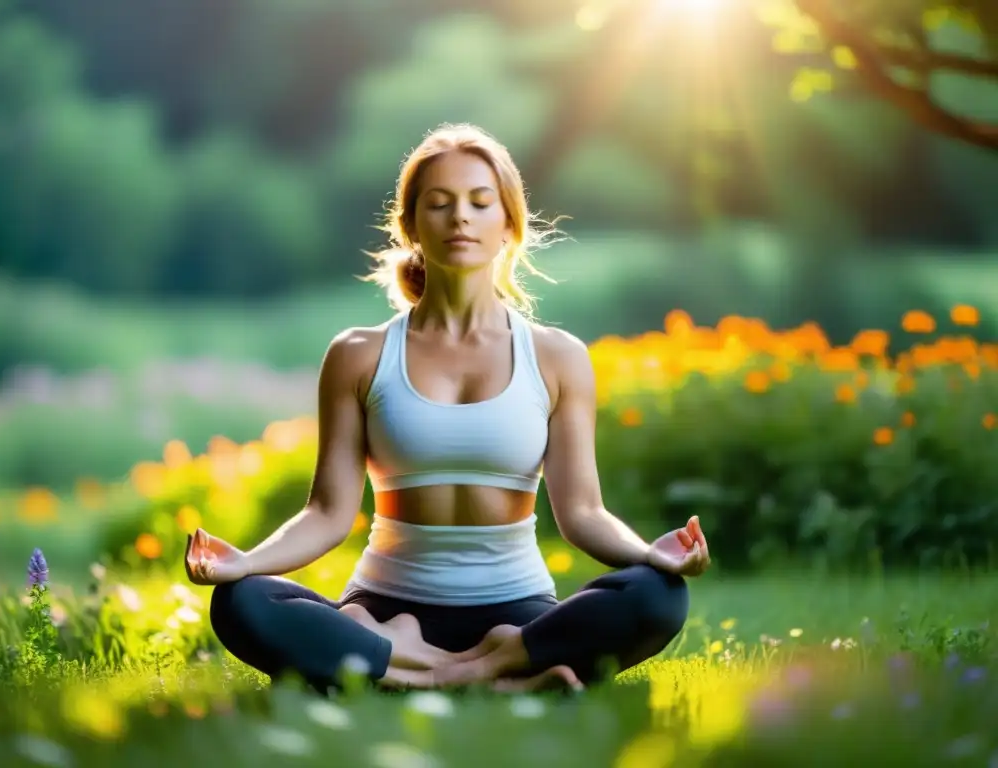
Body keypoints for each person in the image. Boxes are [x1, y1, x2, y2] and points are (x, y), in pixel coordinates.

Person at [184, 123, 711, 695]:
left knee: (658, 595)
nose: (460, 217)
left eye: (480, 203)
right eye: (439, 204)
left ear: (509, 223)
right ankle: (496, 676)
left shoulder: (558, 358)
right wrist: (246, 564)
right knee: (243, 601)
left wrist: (648, 555)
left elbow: (582, 512)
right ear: (410, 225)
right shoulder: (358, 355)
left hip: (519, 611)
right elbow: (328, 513)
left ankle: (462, 665)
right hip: (384, 612)